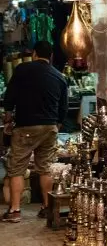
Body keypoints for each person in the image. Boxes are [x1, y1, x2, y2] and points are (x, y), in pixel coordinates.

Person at [2, 41, 68, 222]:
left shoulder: (23, 69)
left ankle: (15, 211)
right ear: (51, 56)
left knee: (17, 169)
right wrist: (56, 124)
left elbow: (10, 94)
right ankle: (47, 208)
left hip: (26, 126)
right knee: (45, 168)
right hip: (50, 127)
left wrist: (8, 116)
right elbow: (64, 107)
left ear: (34, 54)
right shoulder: (59, 76)